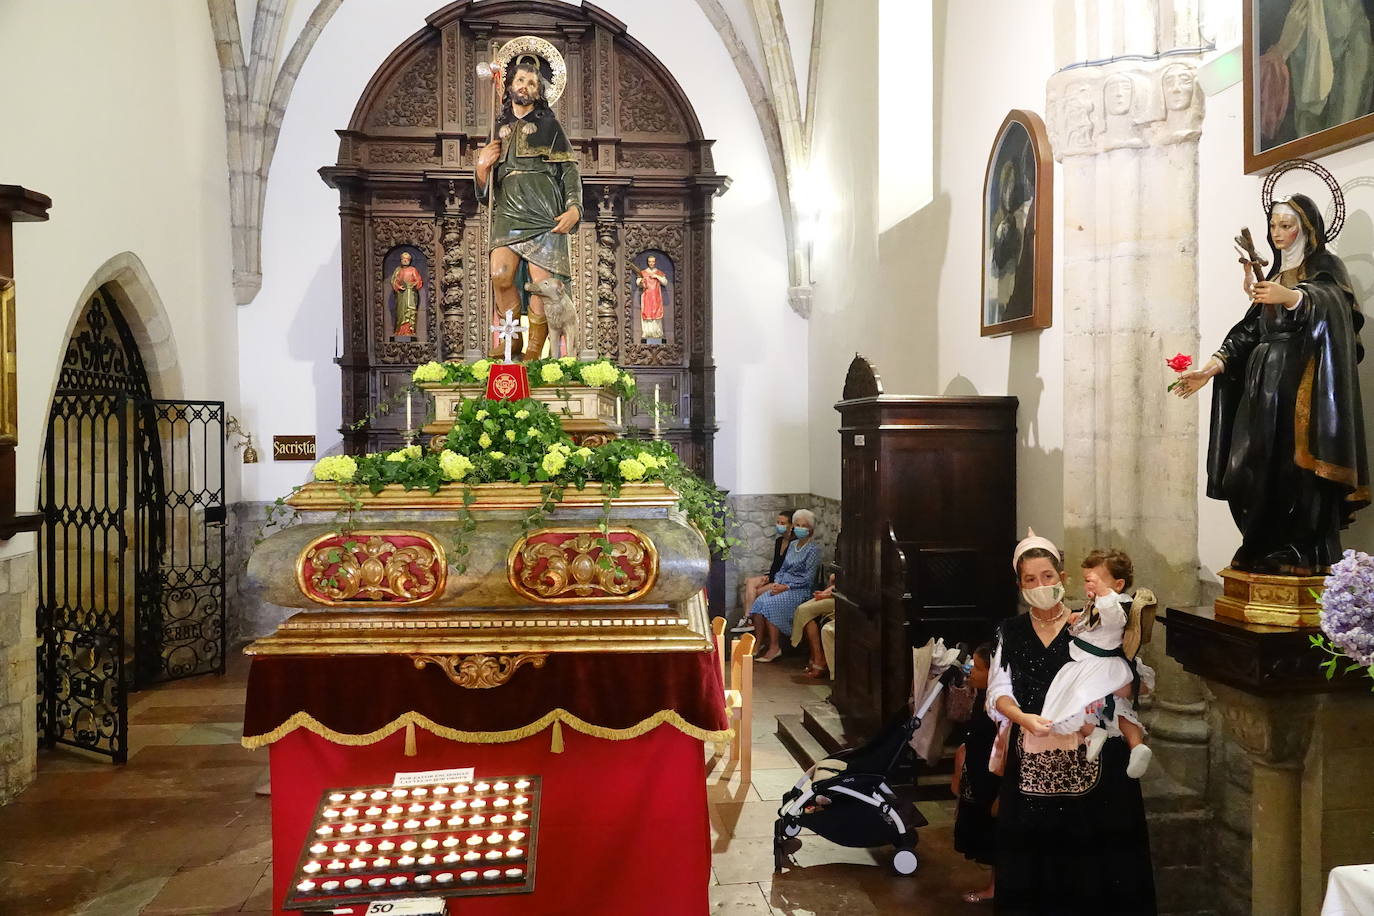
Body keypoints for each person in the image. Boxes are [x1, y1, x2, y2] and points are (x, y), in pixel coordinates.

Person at [1173, 193, 1369, 575]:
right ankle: (1260, 542)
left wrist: (1294, 298)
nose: (1277, 233)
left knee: (1294, 468)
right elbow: (1249, 330)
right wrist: (1211, 368)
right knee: (1246, 464)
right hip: (1262, 384)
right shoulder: (1275, 274)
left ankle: (1299, 549)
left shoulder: (1326, 267)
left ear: (1308, 229)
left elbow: (1333, 307)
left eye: (1287, 225)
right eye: (1274, 226)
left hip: (1302, 390)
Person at [987, 529, 1155, 913]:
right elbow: (998, 689)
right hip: (1033, 756)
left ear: (1062, 579)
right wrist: (1021, 717)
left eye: (1047, 576)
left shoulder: (1089, 625)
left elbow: (1129, 678)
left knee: (1094, 865)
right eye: (1030, 579)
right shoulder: (1008, 631)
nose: (1040, 585)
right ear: (1020, 585)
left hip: (1094, 760)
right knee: (1034, 862)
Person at [475, 54, 582, 362]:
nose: (526, 85)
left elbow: (569, 172)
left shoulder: (550, 126)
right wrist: (482, 167)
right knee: (500, 275)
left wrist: (574, 207)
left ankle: (535, 346)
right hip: (508, 210)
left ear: (539, 90)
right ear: (509, 85)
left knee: (539, 285)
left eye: (532, 82)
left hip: (543, 211)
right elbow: (485, 193)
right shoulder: (497, 127)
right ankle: (513, 337)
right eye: (521, 79)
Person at [1039, 549, 1153, 779]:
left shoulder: (1114, 604)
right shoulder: (1100, 604)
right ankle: (1135, 745)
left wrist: (1103, 594)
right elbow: (1092, 623)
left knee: (1066, 703)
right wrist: (1078, 617)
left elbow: (1112, 621)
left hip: (1098, 666)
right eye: (1086, 580)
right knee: (1118, 709)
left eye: (1092, 580)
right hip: (1099, 666)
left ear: (1118, 585)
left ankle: (1096, 734)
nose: (1087, 585)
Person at [952, 642, 999, 904]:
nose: (971, 671)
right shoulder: (982, 696)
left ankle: (996, 887)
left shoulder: (1001, 705)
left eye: (979, 668)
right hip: (980, 772)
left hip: (994, 776)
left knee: (996, 829)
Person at [749, 509, 821, 663]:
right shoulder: (793, 544)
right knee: (758, 603)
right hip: (782, 585)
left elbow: (808, 579)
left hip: (799, 590)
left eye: (804, 526)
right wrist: (777, 583)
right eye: (797, 525)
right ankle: (758, 643)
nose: (800, 528)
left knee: (770, 605)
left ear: (810, 530)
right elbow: (782, 569)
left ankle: (774, 648)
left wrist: (786, 587)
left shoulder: (813, 550)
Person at [734, 510, 794, 631]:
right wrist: (767, 577)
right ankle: (747, 618)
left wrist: (774, 580)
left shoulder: (794, 544)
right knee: (750, 582)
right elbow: (776, 564)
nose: (779, 525)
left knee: (754, 593)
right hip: (773, 576)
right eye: (778, 522)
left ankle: (750, 622)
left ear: (791, 525)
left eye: (782, 523)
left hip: (782, 580)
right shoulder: (779, 541)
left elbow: (788, 568)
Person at [790, 572, 836, 678]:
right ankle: (815, 656)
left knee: (804, 611)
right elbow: (835, 580)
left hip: (839, 598)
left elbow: (846, 587)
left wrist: (826, 595)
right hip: (833, 593)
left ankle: (818, 659)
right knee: (802, 610)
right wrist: (824, 593)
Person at [390, 250, 423, 338]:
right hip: (401, 295)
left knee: (410, 311)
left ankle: (410, 331)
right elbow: (393, 281)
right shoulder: (398, 270)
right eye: (403, 259)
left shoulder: (413, 270)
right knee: (401, 313)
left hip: (411, 294)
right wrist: (398, 286)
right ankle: (400, 331)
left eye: (407, 259)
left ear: (409, 260)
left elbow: (419, 281)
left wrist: (415, 284)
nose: (405, 260)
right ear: (401, 260)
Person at [637, 254, 667, 340]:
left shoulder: (659, 272)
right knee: (647, 313)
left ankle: (657, 333)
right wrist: (641, 282)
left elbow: (665, 282)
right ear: (647, 262)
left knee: (656, 313)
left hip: (656, 297)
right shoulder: (643, 272)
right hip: (647, 296)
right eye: (650, 262)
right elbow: (638, 282)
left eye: (653, 261)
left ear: (655, 262)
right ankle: (647, 333)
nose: (651, 263)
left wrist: (656, 276)